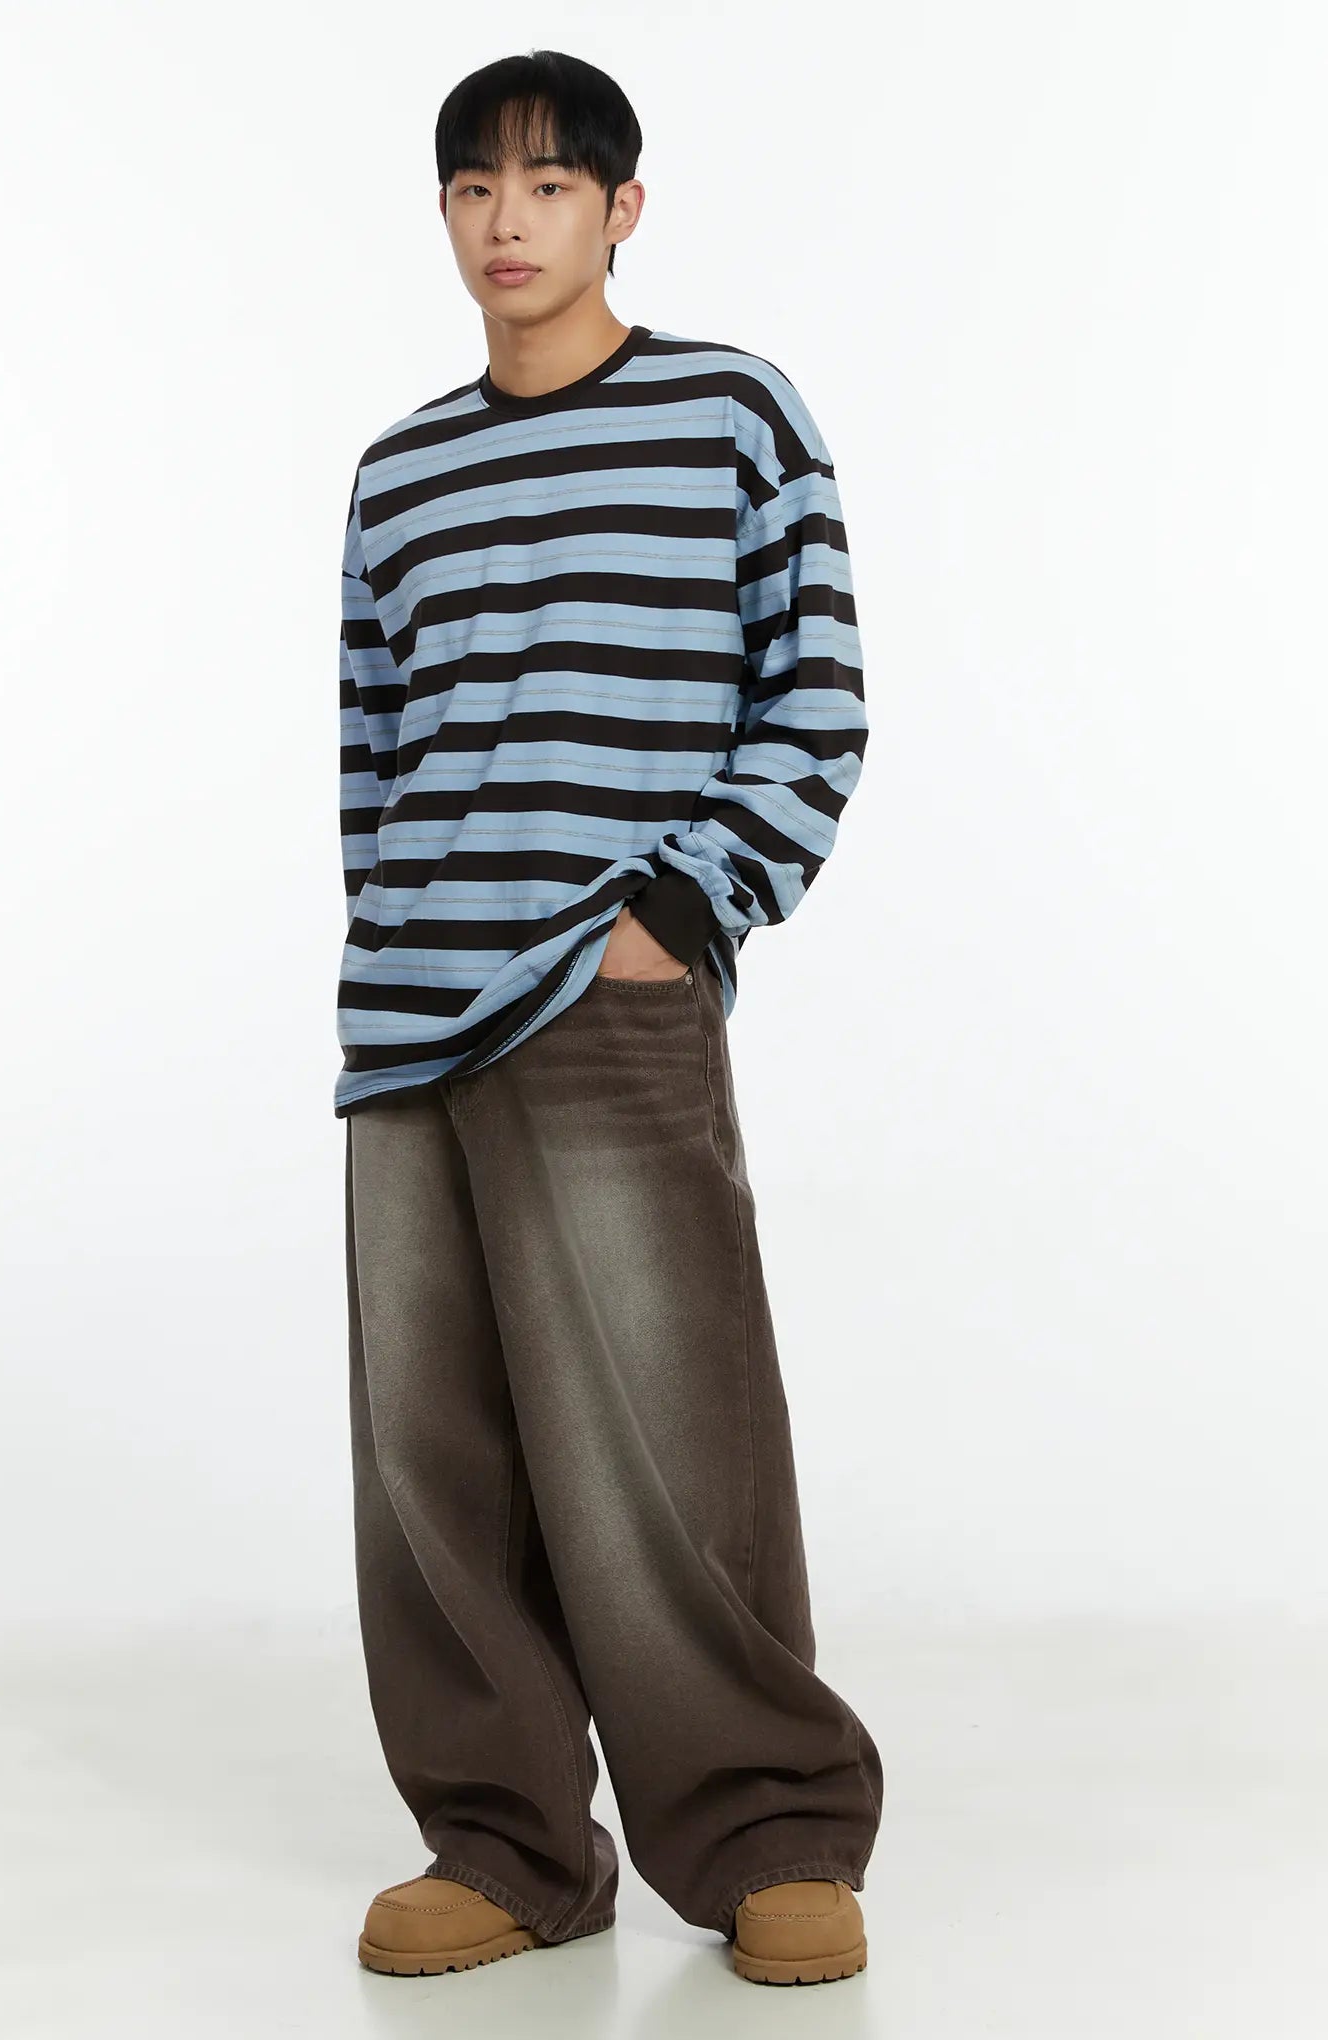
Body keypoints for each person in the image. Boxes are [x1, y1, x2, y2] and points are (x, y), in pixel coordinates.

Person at [338, 48, 883, 1985]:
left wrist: (678, 913)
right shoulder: (398, 472)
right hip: (412, 1012)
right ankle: (508, 1850)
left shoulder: (730, 411)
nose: (511, 222)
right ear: (443, 215)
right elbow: (374, 755)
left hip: (607, 984)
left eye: (552, 184)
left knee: (669, 1434)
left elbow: (816, 700)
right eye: (476, 188)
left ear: (621, 209)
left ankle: (769, 1832)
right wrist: (380, 953)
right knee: (436, 1468)